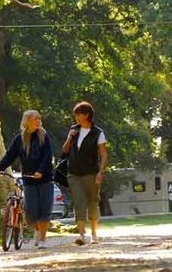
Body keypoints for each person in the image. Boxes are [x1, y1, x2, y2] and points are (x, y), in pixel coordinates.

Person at [0, 110, 54, 249]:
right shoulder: (19, 139)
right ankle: (37, 230)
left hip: (45, 179)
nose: (39, 121)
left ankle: (43, 239)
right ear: (27, 122)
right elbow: (10, 155)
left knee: (45, 211)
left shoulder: (44, 136)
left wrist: (40, 171)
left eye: (39, 118)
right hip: (29, 179)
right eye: (35, 119)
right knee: (31, 211)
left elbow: (47, 157)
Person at [62, 101, 108, 245]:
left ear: (87, 115)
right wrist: (70, 137)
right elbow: (65, 150)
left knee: (92, 202)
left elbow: (104, 154)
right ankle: (81, 235)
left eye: (78, 115)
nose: (76, 117)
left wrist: (101, 172)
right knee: (79, 202)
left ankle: (94, 234)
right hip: (73, 173)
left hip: (91, 173)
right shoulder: (74, 130)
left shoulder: (97, 133)